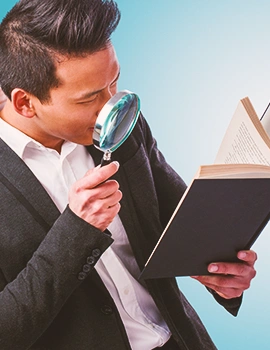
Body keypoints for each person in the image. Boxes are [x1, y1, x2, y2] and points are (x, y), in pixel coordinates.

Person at [0, 1, 257, 349]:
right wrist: (77, 231)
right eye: (89, 98)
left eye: (114, 81)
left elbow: (177, 220)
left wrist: (224, 276)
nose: (111, 105)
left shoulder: (121, 125)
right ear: (24, 103)